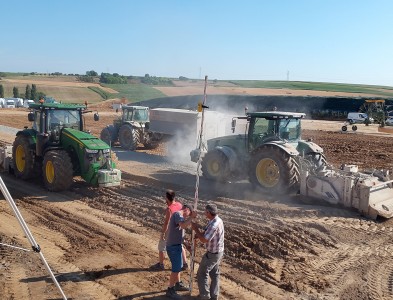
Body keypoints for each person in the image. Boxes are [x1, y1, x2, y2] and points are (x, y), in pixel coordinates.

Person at [191, 203, 224, 300]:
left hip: (213, 254)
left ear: (209, 212)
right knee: (214, 274)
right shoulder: (216, 220)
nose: (204, 213)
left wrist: (195, 229)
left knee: (202, 273)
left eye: (205, 211)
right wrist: (199, 233)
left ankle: (205, 296)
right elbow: (206, 233)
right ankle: (214, 296)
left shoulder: (214, 224)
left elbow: (205, 239)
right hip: (218, 252)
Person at [150, 190, 188, 271]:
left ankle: (161, 264)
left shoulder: (169, 209)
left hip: (170, 231)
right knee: (180, 246)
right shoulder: (179, 205)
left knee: (162, 247)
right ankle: (184, 264)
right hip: (179, 230)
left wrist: (163, 234)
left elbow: (166, 223)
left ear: (167, 198)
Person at [165, 203, 196, 299]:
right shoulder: (178, 214)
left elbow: (181, 235)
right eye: (189, 214)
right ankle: (170, 289)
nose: (188, 216)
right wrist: (192, 218)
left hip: (177, 246)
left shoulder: (181, 217)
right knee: (176, 268)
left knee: (179, 266)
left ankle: (178, 284)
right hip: (173, 247)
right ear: (186, 209)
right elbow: (182, 226)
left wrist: (187, 246)